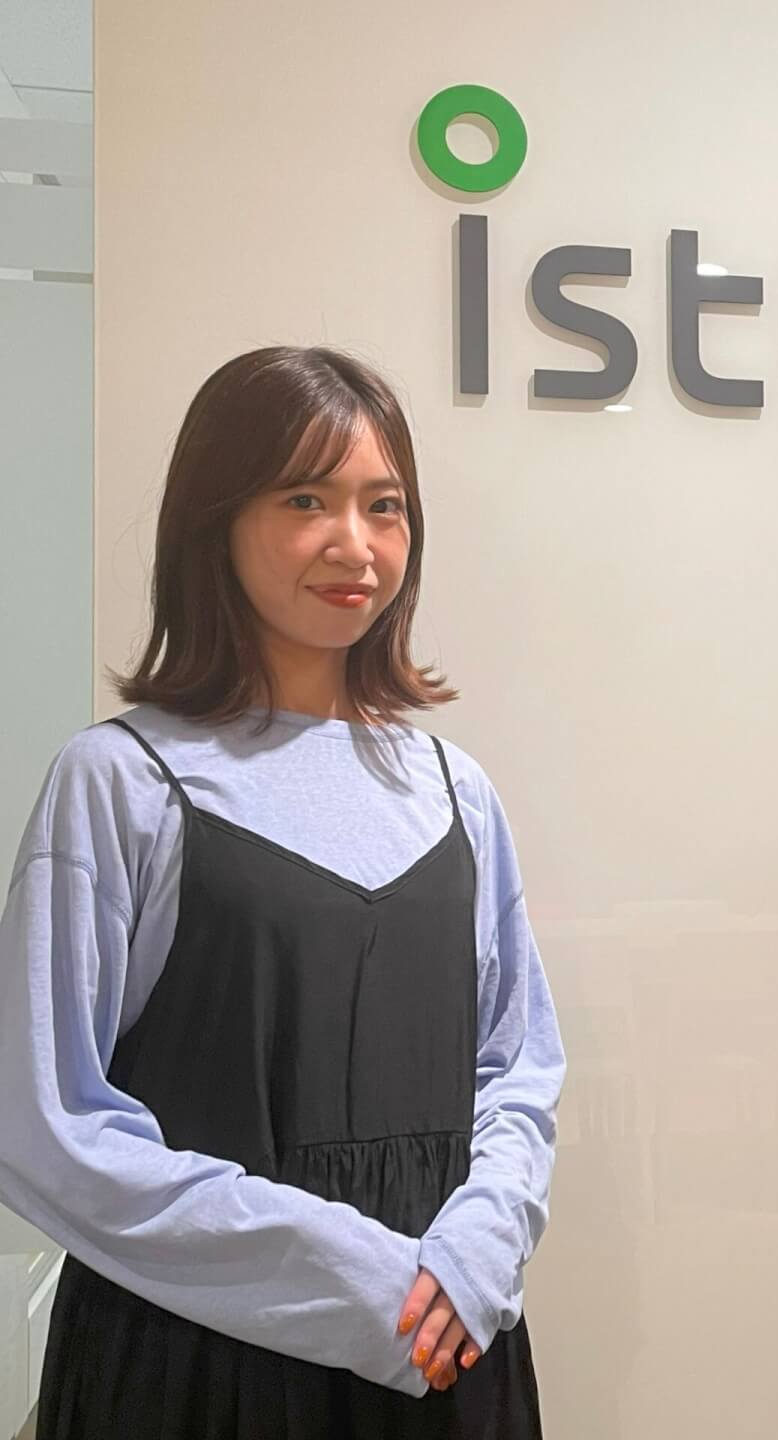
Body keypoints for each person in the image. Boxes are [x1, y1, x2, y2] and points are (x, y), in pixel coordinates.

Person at [0, 347, 564, 1438]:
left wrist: (481, 1248)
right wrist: (359, 1282)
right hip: (200, 1366)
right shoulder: (121, 782)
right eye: (305, 500)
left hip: (446, 1341)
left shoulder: (456, 790)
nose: (355, 544)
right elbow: (46, 1119)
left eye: (384, 506)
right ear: (215, 520)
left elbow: (518, 1066)